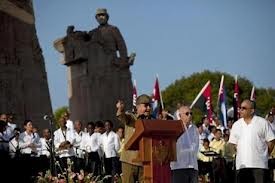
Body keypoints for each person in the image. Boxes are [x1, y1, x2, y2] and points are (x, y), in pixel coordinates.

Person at [229, 99, 275, 183]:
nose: (240, 110)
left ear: (252, 110)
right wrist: (238, 153)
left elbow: (271, 141)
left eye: (244, 108)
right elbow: (232, 143)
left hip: (259, 165)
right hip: (241, 166)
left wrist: (265, 154)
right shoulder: (236, 125)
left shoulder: (262, 122)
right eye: (240, 108)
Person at [116, 94, 152, 183]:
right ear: (138, 106)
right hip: (129, 161)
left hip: (145, 162)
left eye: (149, 105)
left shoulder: (152, 121)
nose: (148, 108)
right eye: (145, 105)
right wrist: (120, 109)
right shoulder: (131, 117)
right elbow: (122, 116)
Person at [170, 105, 199, 183]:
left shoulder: (194, 129)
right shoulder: (174, 128)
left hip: (193, 167)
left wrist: (187, 150)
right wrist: (188, 150)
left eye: (191, 113)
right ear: (180, 115)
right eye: (187, 113)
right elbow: (177, 148)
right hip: (179, 167)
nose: (190, 115)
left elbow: (195, 148)